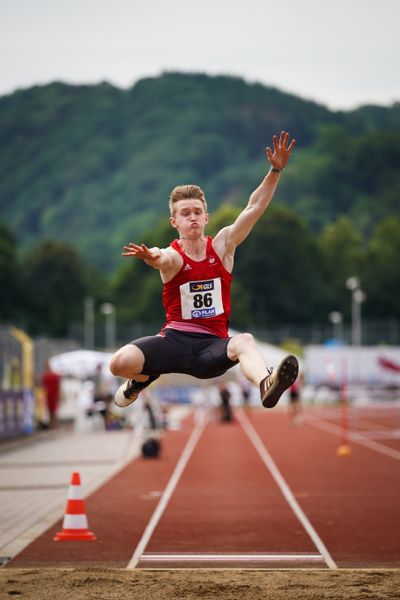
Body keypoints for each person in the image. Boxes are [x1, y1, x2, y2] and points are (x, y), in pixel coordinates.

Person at [110, 131, 299, 408]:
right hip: (174, 342)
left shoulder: (223, 246)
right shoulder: (174, 256)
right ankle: (141, 379)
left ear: (206, 217)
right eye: (185, 213)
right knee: (118, 363)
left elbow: (254, 207)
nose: (193, 217)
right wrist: (150, 255)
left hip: (212, 349)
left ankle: (266, 383)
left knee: (244, 340)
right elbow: (161, 258)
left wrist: (276, 169)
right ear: (174, 221)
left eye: (197, 211)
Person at [41, 360, 62, 428]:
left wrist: (59, 395)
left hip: (54, 395)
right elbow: (44, 387)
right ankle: (51, 425)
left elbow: (58, 386)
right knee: (50, 410)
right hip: (48, 395)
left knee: (54, 410)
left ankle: (55, 425)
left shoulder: (55, 375)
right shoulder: (45, 376)